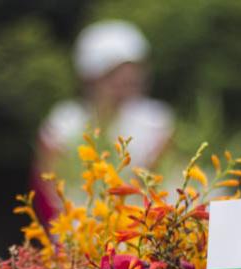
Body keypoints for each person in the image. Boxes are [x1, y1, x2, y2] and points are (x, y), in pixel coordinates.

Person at [32, 20, 174, 223]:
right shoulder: (64, 121)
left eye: (133, 70)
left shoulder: (156, 120)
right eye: (115, 72)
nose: (128, 78)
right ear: (91, 76)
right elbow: (47, 184)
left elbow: (157, 181)